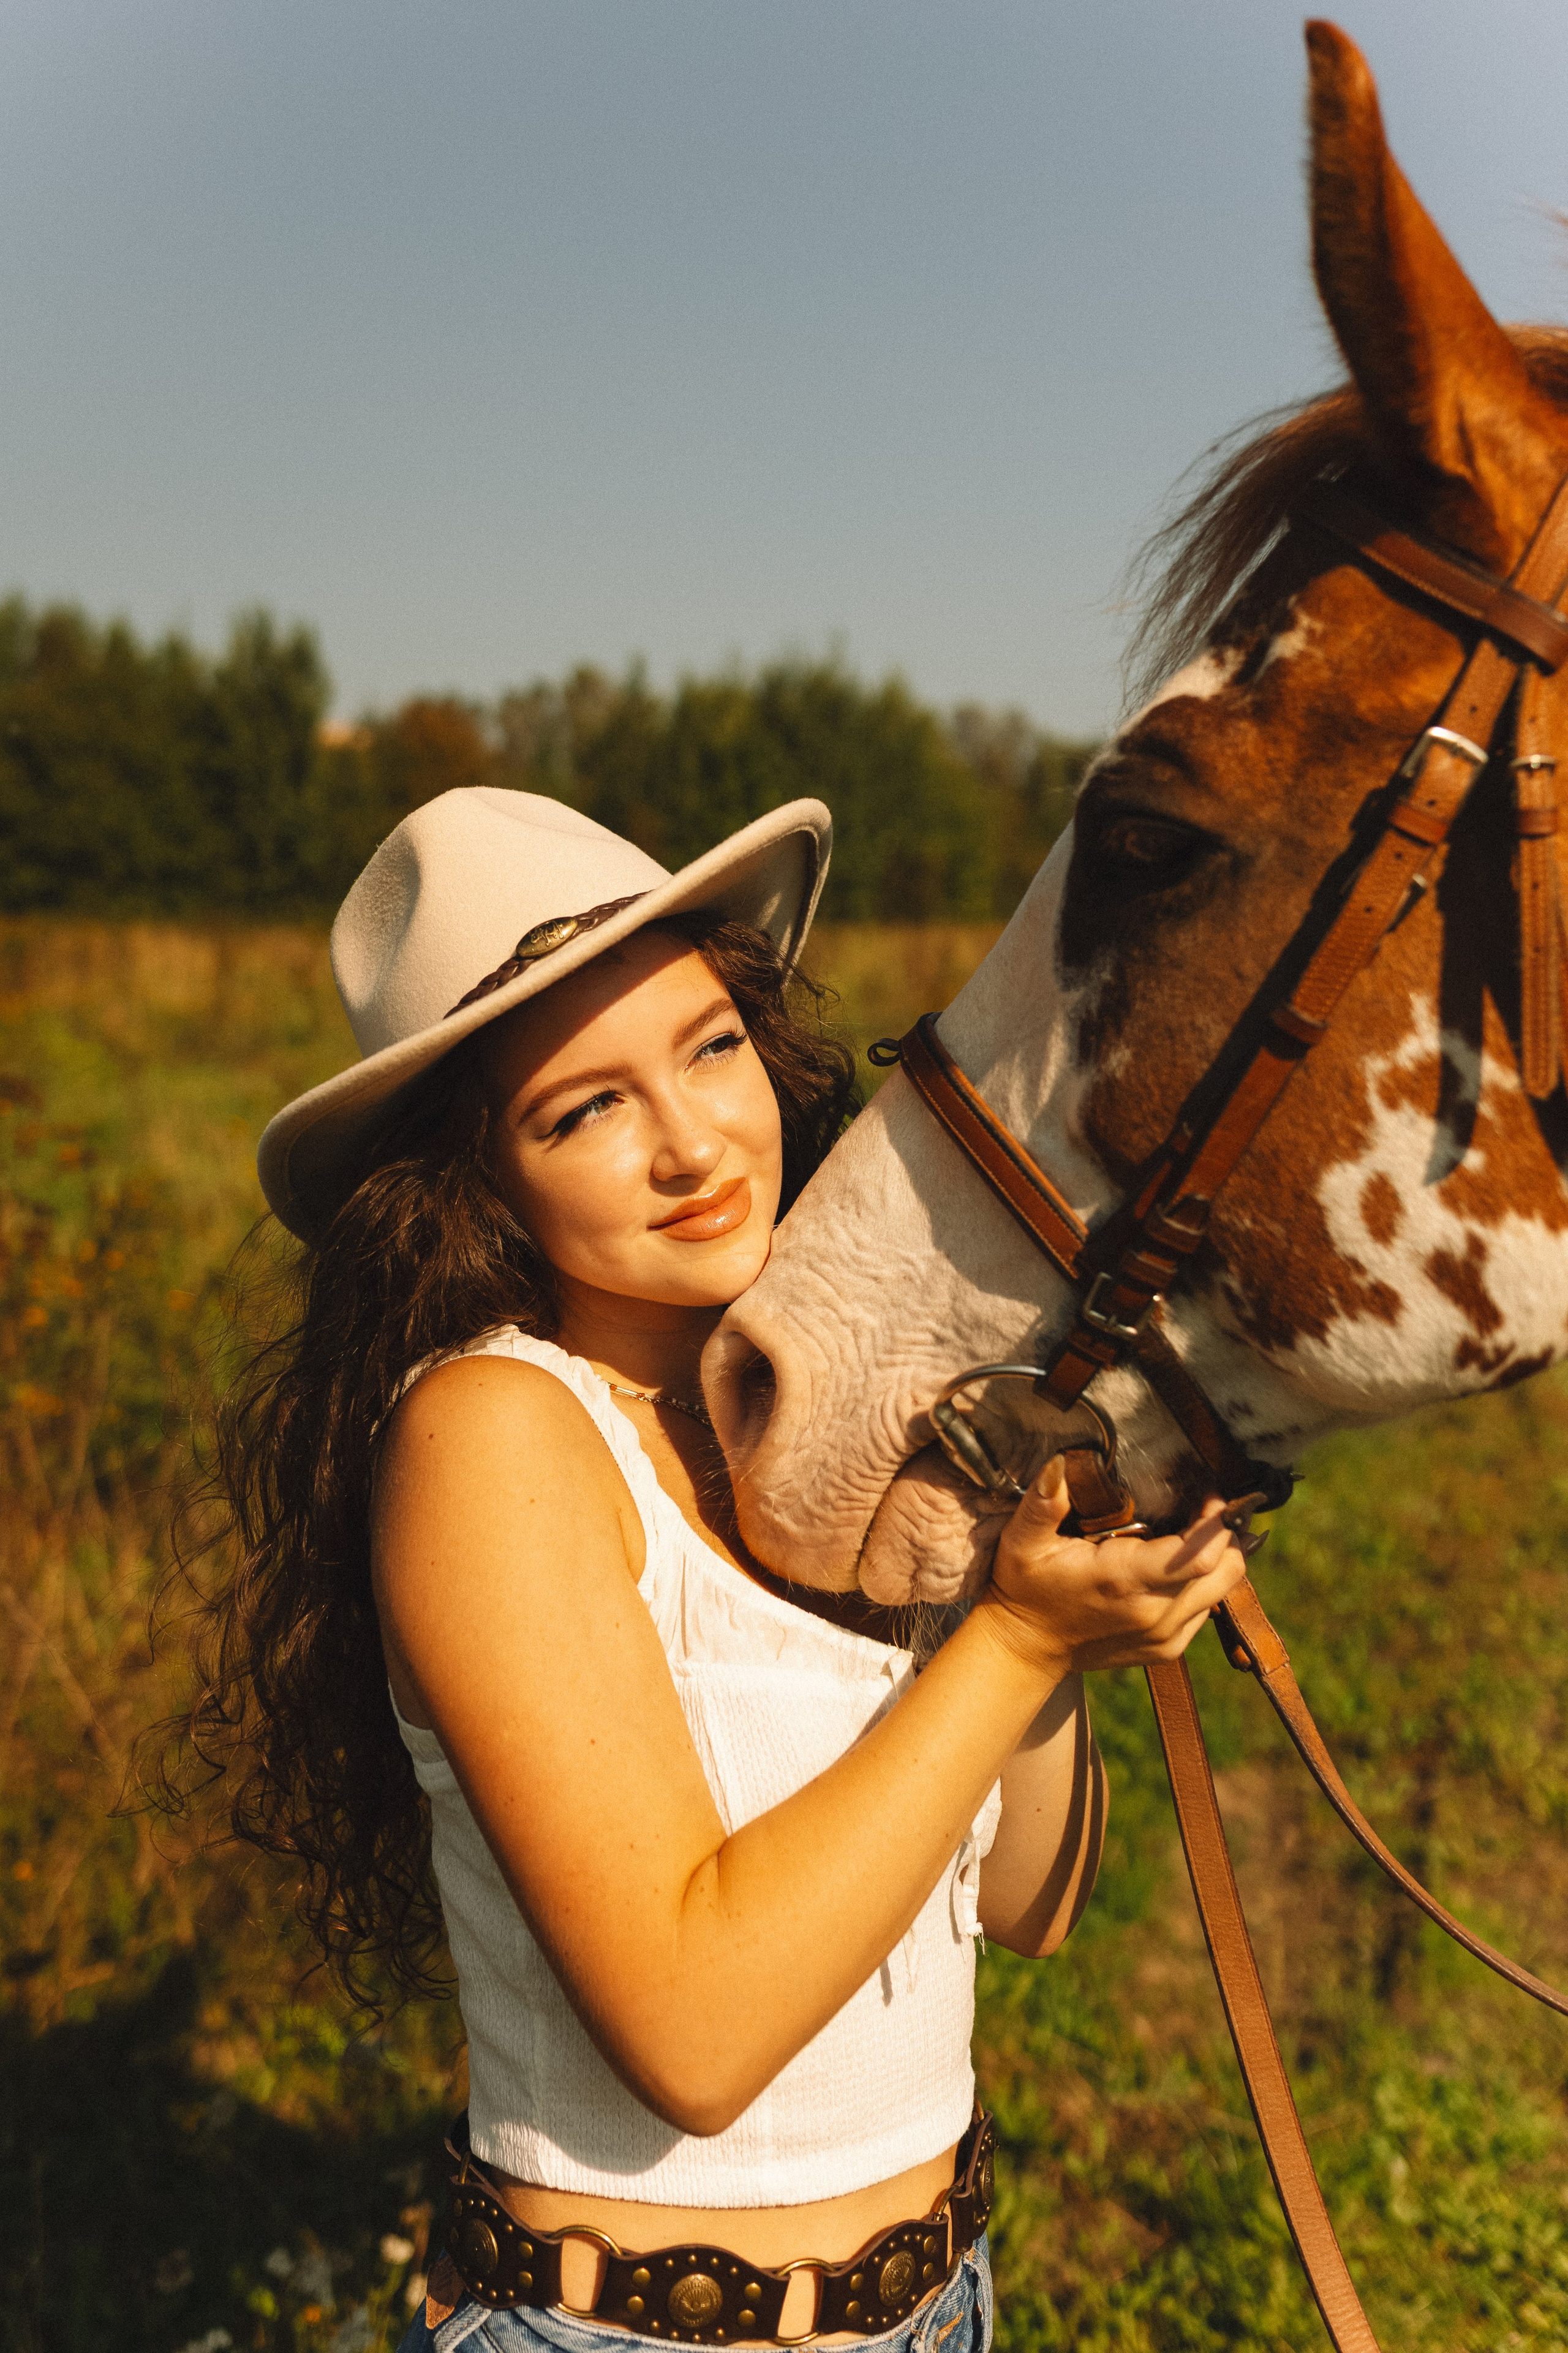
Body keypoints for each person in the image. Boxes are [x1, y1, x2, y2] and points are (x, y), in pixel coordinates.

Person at [184, 786, 1245, 2353]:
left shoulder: (834, 1410)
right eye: (583, 1111)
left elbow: (1031, 1900)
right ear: (474, 1182)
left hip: (941, 2302)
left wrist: (1030, 1578)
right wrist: (1013, 1644)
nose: (691, 1144)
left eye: (708, 1047)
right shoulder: (496, 1434)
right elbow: (694, 2033)